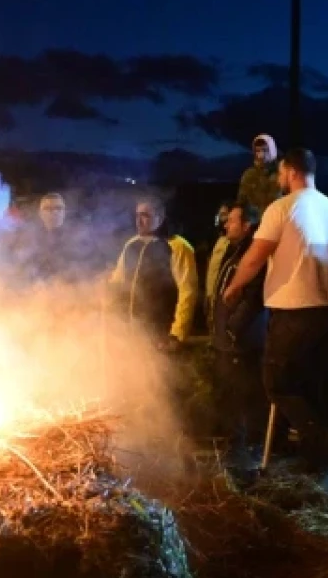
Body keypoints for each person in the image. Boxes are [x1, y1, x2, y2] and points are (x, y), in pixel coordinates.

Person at [222, 148, 328, 486]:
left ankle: (326, 450)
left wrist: (235, 286)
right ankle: (317, 465)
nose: (279, 178)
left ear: (292, 171)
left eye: (281, 172)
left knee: (277, 382)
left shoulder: (281, 208)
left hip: (295, 310)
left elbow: (256, 255)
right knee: (315, 386)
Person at [210, 204, 267, 465]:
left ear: (247, 225)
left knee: (245, 395)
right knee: (231, 395)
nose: (226, 225)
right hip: (229, 340)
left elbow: (253, 298)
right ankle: (235, 446)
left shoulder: (253, 254)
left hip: (242, 342)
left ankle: (250, 449)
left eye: (231, 221)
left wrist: (233, 329)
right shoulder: (234, 251)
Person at [110, 199, 198, 351]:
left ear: (160, 217)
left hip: (161, 333)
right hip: (132, 331)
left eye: (145, 215)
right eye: (137, 215)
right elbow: (117, 281)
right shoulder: (131, 245)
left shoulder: (178, 246)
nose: (139, 221)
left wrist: (177, 333)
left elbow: (188, 291)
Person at [204, 202, 235, 328]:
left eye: (224, 214)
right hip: (212, 294)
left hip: (223, 298)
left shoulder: (232, 243)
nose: (222, 219)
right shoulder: (218, 240)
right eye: (220, 215)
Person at [237, 133, 282, 211]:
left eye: (265, 150)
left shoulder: (282, 172)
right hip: (255, 218)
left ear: (272, 150)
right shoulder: (249, 175)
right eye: (257, 151)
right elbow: (241, 201)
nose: (261, 155)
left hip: (276, 216)